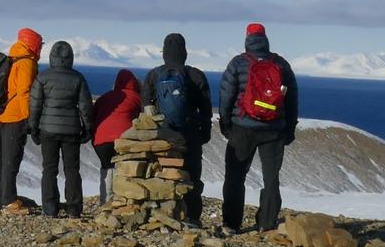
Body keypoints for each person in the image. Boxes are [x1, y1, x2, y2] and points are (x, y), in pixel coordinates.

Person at [217, 21, 298, 234]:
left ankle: (231, 224)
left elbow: (226, 96)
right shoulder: (281, 64)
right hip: (273, 129)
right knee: (271, 178)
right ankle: (267, 223)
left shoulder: (237, 63)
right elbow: (292, 98)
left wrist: (225, 123)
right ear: (265, 39)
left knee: (235, 177)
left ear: (247, 39)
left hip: (242, 128)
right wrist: (289, 128)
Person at [141, 33, 213, 224]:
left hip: (162, 137)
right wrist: (204, 134)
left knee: (162, 176)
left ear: (164, 52)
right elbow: (206, 109)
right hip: (190, 136)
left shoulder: (154, 75)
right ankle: (192, 217)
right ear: (184, 52)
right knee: (192, 178)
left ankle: (163, 216)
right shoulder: (195, 75)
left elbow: (146, 108)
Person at [27, 40, 94, 218]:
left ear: (52, 57)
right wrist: (88, 128)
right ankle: (74, 208)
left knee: (49, 169)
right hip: (72, 130)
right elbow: (85, 107)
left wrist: (33, 128)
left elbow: (35, 106)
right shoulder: (78, 78)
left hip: (47, 130)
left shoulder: (42, 77)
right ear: (70, 58)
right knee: (72, 169)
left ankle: (50, 208)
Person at [0, 27, 42, 209]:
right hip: (16, 116)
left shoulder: (13, 57)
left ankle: (3, 197)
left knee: (5, 159)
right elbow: (24, 92)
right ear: (33, 43)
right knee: (12, 160)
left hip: (4, 115)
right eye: (40, 44)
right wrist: (30, 118)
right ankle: (9, 200)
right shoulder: (26, 62)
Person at [89, 68, 143, 199]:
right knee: (123, 171)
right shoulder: (136, 97)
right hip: (124, 140)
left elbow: (92, 116)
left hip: (101, 141)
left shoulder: (104, 97)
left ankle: (105, 202)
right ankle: (122, 203)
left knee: (106, 168)